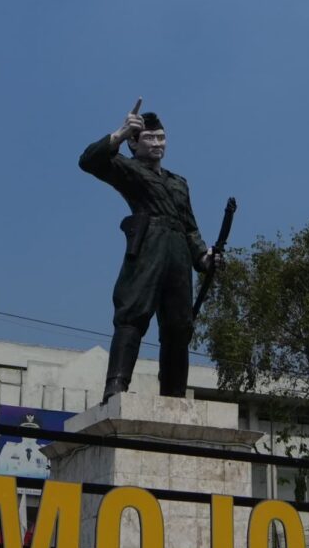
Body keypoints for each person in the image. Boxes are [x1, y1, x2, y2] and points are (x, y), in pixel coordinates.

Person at [79, 108, 212, 400]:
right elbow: (89, 161)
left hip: (178, 252)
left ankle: (174, 394)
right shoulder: (127, 168)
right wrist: (120, 133)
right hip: (148, 244)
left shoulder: (179, 182)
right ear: (134, 144)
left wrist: (203, 257)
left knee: (179, 326)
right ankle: (116, 385)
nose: (157, 143)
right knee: (132, 314)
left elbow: (190, 227)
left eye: (162, 137)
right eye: (149, 138)